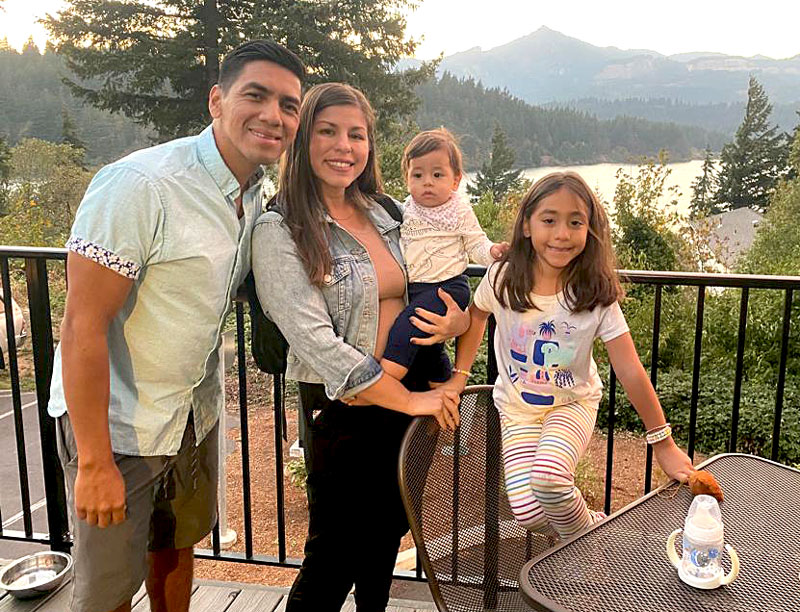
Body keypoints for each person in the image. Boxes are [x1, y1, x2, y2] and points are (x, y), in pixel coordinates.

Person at [46, 40, 304, 612]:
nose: (273, 115)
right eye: (256, 96)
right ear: (217, 100)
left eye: (289, 105)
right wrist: (95, 462)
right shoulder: (141, 184)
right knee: (108, 589)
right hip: (119, 426)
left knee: (176, 546)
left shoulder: (255, 193)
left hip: (193, 413)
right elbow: (83, 325)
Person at [251, 83, 467, 611]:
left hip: (409, 399)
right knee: (332, 555)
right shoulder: (281, 228)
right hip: (347, 405)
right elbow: (314, 340)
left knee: (387, 533)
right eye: (327, 131)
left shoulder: (386, 211)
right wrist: (409, 398)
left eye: (356, 134)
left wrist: (457, 320)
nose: (343, 146)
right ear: (303, 139)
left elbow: (438, 277)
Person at [442, 172, 695, 539]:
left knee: (550, 479)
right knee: (527, 512)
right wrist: (459, 376)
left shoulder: (594, 293)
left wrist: (663, 442)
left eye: (575, 222)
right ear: (527, 225)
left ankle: (587, 551)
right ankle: (590, 529)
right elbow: (477, 316)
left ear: (589, 229)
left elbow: (629, 368)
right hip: (517, 409)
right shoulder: (502, 279)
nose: (562, 234)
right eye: (549, 220)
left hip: (572, 403)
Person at [380, 128, 506, 385]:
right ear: (407, 179)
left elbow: (476, 243)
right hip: (414, 288)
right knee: (428, 345)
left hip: (446, 287)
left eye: (437, 174)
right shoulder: (406, 210)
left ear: (455, 180)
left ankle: (383, 380)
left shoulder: (458, 210)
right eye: (418, 175)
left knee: (408, 326)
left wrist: (492, 252)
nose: (427, 182)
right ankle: (440, 382)